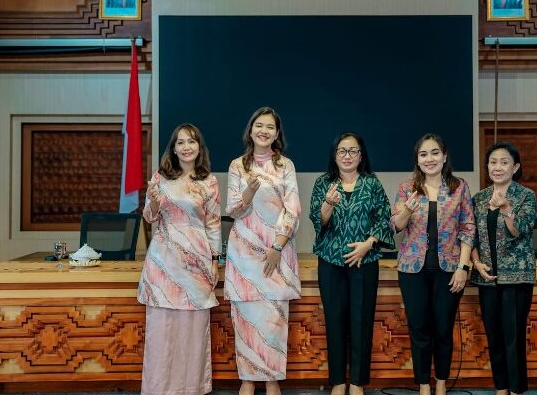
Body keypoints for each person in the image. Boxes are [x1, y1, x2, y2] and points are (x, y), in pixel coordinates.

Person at [138, 123, 222, 395]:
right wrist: (151, 200)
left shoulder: (208, 181)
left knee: (193, 331)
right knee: (163, 330)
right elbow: (150, 218)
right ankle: (159, 389)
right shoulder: (160, 178)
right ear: (173, 149)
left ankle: (192, 388)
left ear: (200, 147)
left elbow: (213, 224)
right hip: (164, 264)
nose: (187, 147)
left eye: (192, 142)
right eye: (181, 142)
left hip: (196, 264)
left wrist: (214, 260)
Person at [309, 132, 394, 395]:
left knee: (361, 321)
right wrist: (327, 205)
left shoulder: (372, 184)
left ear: (361, 155)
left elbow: (384, 220)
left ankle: (356, 382)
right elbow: (317, 221)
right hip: (331, 261)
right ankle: (337, 382)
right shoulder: (324, 183)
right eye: (342, 151)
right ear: (334, 156)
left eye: (353, 151)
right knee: (334, 321)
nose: (347, 156)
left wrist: (368, 244)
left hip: (365, 261)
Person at [224, 107, 301, 395]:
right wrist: (248, 193)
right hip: (244, 252)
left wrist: (277, 246)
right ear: (251, 129)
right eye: (259, 125)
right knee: (244, 316)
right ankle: (247, 378)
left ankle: (271, 380)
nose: (264, 131)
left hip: (275, 251)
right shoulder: (237, 166)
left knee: (273, 318)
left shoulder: (285, 166)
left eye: (270, 127)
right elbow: (233, 209)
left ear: (277, 133)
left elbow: (292, 209)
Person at [391, 133, 475, 395]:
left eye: (435, 153)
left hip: (449, 270)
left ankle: (441, 383)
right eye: (424, 154)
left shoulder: (459, 187)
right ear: (417, 160)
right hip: (412, 269)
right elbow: (395, 226)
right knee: (419, 329)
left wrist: (463, 267)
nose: (430, 159)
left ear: (444, 156)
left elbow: (468, 228)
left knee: (443, 329)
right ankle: (423, 386)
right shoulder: (407, 188)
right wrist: (407, 209)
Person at [471, 141, 537, 395]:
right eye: (493, 162)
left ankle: (517, 389)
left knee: (513, 336)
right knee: (494, 335)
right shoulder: (479, 198)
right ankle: (501, 387)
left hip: (517, 277)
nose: (498, 167)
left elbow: (520, 230)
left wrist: (507, 209)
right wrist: (477, 263)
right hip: (487, 277)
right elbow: (470, 235)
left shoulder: (525, 196)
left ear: (515, 167)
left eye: (504, 162)